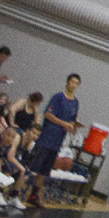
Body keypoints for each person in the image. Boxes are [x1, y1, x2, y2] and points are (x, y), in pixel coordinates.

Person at [22, 73, 81, 209]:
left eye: (76, 83)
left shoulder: (75, 103)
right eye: (72, 82)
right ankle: (16, 192)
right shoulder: (58, 97)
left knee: (44, 171)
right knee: (33, 167)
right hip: (47, 138)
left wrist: (73, 126)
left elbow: (72, 121)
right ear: (67, 83)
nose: (73, 85)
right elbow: (48, 114)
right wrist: (63, 123)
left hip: (57, 141)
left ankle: (33, 195)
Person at [0, 126, 27, 210]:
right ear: (2, 134)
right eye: (8, 135)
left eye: (12, 137)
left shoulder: (4, 145)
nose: (10, 139)